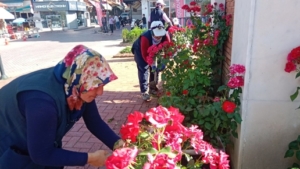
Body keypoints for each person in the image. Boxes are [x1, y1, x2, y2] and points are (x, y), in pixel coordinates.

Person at [0, 45, 125, 168]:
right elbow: (41, 155)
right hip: (9, 144)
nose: (100, 92)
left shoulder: (77, 85)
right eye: (96, 85)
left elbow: (94, 122)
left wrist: (120, 145)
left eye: (102, 85)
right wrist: (90, 158)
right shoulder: (42, 103)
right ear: (80, 80)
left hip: (40, 144)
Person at [131, 21, 170, 101]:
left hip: (155, 50)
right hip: (140, 51)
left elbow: (168, 49)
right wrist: (152, 64)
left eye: (160, 35)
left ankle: (152, 88)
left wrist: (164, 62)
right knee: (144, 69)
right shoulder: (145, 37)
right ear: (152, 31)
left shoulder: (165, 35)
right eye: (157, 35)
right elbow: (145, 55)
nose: (159, 37)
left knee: (156, 70)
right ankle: (144, 92)